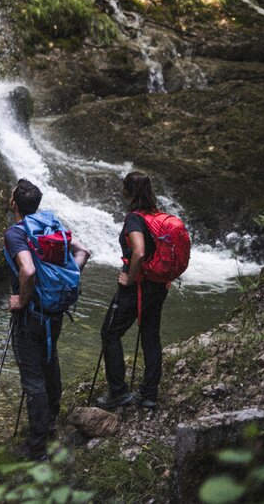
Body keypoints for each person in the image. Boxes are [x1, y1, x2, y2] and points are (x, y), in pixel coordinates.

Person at [3, 178, 92, 460]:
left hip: (30, 315)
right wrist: (68, 279)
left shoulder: (15, 234)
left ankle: (37, 447)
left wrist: (22, 299)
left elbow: (27, 271)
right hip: (54, 313)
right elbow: (83, 251)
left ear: (14, 203)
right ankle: (51, 424)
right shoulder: (51, 225)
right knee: (49, 362)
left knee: (33, 380)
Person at [96, 170, 170, 411]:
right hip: (158, 285)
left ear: (127, 192)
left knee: (110, 332)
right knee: (150, 335)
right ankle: (149, 395)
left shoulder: (135, 219)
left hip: (138, 286)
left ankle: (118, 393)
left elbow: (137, 251)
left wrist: (130, 277)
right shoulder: (157, 216)